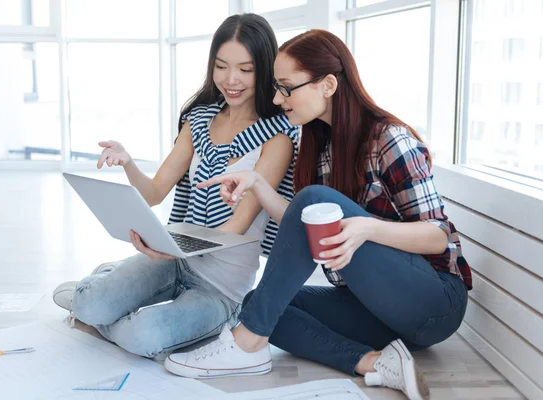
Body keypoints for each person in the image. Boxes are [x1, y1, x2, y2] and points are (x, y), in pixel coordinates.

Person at [164, 30, 472, 400]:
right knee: (262, 306)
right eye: (276, 88)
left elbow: (439, 235)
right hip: (374, 308)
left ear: (327, 85)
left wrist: (367, 229)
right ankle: (373, 364)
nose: (278, 99)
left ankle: (244, 345)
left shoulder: (389, 139)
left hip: (434, 305)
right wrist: (259, 186)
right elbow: (300, 220)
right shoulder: (317, 147)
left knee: (305, 216)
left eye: (287, 88)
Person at [51, 13, 299, 359]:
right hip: (174, 260)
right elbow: (153, 193)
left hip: (221, 287)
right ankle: (96, 300)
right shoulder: (198, 120)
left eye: (246, 69)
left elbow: (235, 228)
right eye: (221, 66)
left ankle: (98, 305)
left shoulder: (277, 136)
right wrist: (127, 162)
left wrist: (173, 247)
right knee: (93, 304)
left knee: (142, 336)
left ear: (264, 68)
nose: (231, 80)